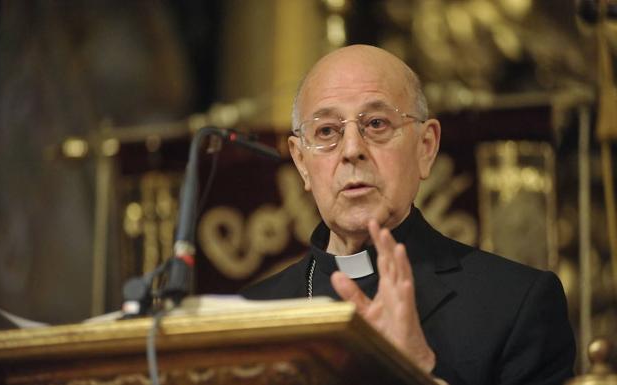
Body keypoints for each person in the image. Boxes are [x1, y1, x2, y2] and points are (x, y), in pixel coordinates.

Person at [241, 45, 575, 385]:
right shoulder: (250, 318)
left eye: (376, 123)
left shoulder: (515, 304)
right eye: (327, 131)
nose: (352, 150)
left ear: (425, 147)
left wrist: (418, 371)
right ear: (301, 163)